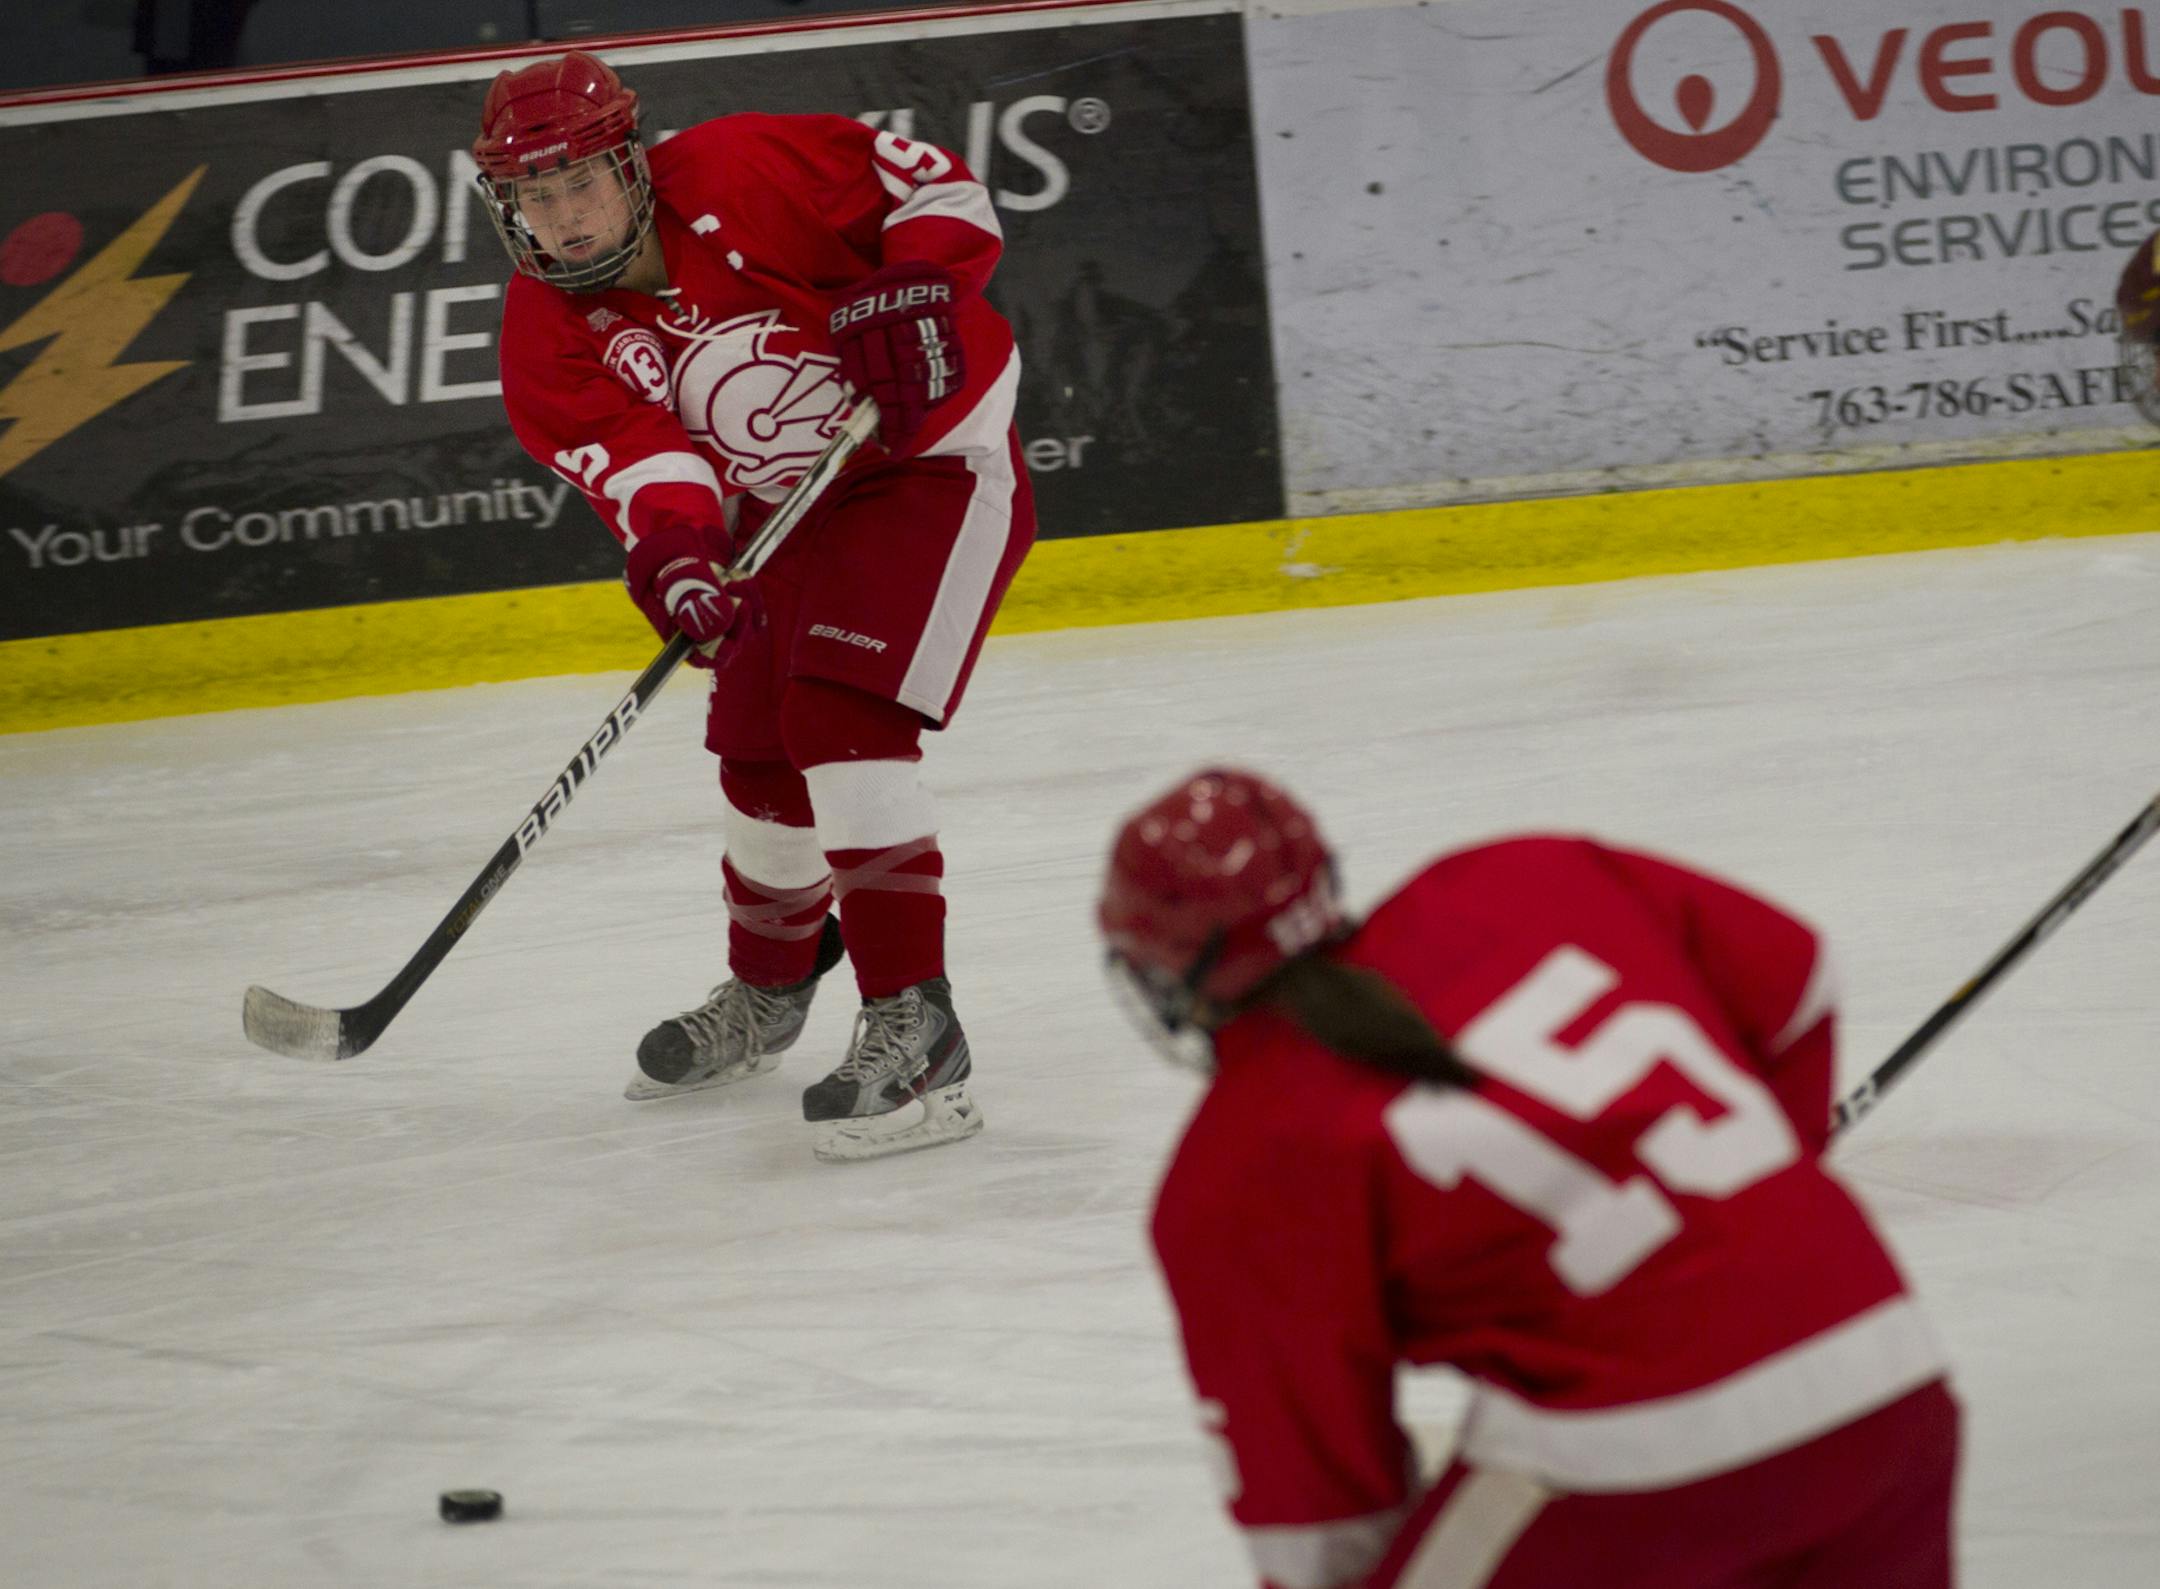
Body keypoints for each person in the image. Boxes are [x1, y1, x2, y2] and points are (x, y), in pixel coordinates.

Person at [1098, 769, 1959, 1588]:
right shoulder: (1520, 873)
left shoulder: (1238, 1161)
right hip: (1889, 1374)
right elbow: (1797, 980)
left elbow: (1319, 1515)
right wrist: (1754, 1204)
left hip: (1637, 1463)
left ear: (1168, 972)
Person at [473, 51, 1033, 1161]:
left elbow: (937, 188)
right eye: (537, 194)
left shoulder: (746, 163)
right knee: (759, 756)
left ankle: (920, 1028)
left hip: (931, 460)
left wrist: (917, 277)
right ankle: (770, 993)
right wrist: (681, 558)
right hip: (789, 508)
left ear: (630, 163)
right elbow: (643, 467)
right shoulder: (546, 329)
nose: (565, 216)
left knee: (843, 724)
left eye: (581, 180)